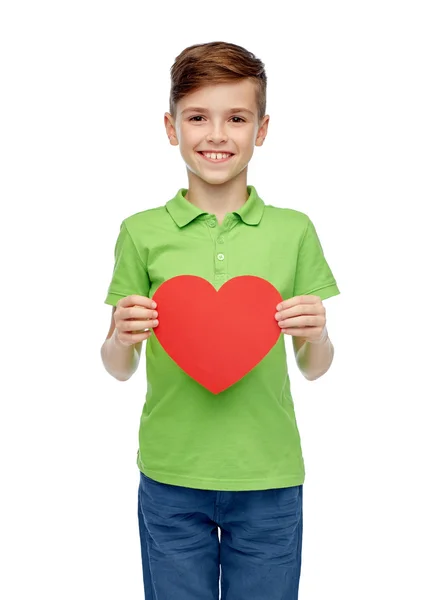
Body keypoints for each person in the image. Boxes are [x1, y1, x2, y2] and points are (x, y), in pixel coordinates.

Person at [101, 41, 340, 600]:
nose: (216, 135)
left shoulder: (294, 230)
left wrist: (319, 334)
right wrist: (118, 335)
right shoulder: (140, 232)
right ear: (170, 126)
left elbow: (315, 367)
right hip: (170, 475)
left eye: (236, 118)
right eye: (197, 117)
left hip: (268, 476)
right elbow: (117, 367)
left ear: (261, 129)